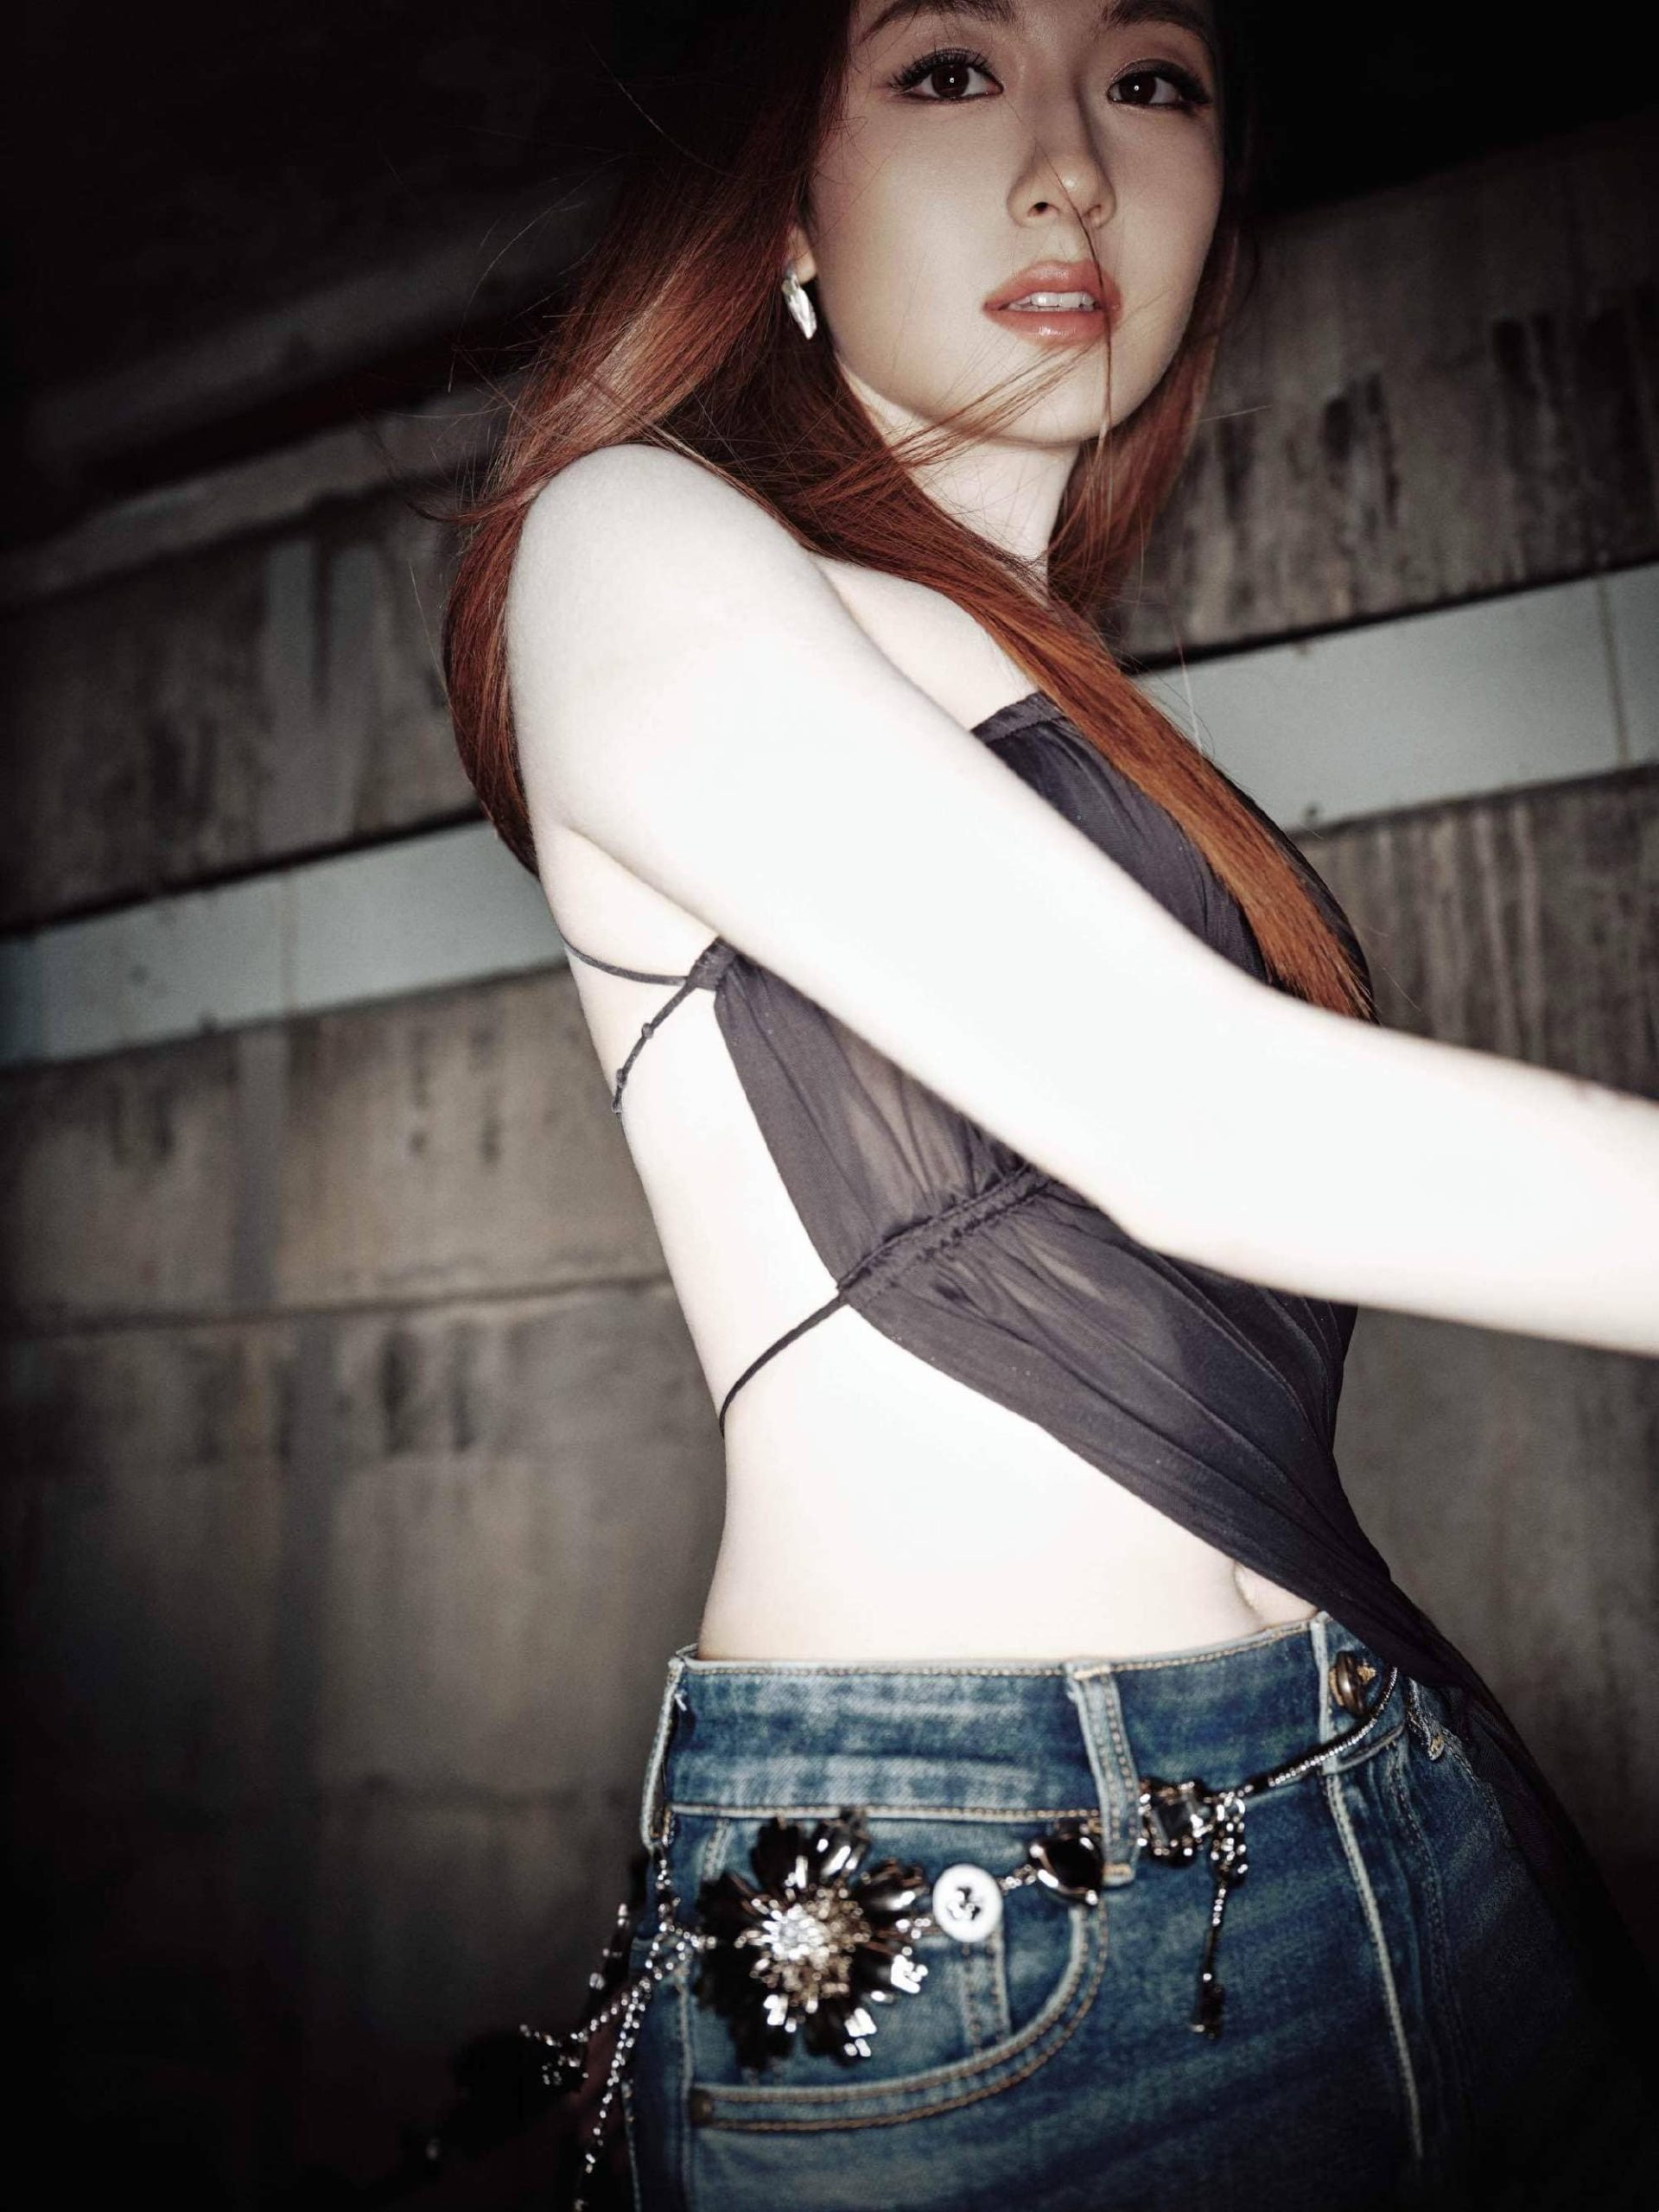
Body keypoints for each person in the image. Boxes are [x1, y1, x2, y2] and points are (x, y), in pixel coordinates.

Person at [443, 1, 1659, 2202]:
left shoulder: (1061, 687)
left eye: (1152, 78)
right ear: (782, 198)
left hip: (1378, 1774)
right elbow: (1197, 1114)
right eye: (949, 68)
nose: (1073, 165)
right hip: (966, 1911)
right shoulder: (628, 537)